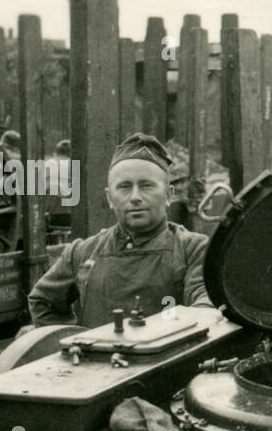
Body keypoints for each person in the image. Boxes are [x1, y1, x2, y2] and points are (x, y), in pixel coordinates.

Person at [27, 132, 213, 327]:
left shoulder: (192, 249)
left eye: (146, 186)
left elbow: (205, 305)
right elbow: (42, 302)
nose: (135, 197)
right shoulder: (82, 252)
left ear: (168, 194)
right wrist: (75, 342)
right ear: (109, 198)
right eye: (124, 187)